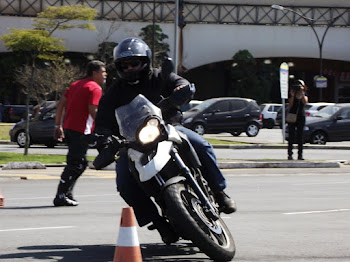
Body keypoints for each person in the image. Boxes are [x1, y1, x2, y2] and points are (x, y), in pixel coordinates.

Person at [94, 37, 236, 244]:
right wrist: (104, 140)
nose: (130, 67)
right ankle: (158, 223)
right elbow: (102, 123)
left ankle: (219, 191)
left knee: (201, 145)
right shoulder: (113, 92)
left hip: (167, 127)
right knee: (124, 182)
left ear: (146, 61)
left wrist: (182, 88)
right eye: (124, 64)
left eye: (134, 62)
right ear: (118, 67)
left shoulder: (159, 77)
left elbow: (179, 82)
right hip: (133, 142)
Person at [53, 60, 107, 206]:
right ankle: (61, 195)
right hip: (81, 130)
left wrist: (58, 125)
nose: (105, 75)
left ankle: (67, 193)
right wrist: (105, 125)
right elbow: (93, 109)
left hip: (70, 128)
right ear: (94, 73)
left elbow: (60, 104)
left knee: (81, 163)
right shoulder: (94, 88)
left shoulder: (75, 85)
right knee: (76, 163)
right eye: (103, 72)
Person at [287, 79, 308, 160]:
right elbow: (291, 105)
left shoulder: (304, 94)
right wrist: (292, 95)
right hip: (292, 115)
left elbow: (305, 102)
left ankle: (300, 155)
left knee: (300, 136)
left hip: (301, 116)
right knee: (291, 136)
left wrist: (301, 93)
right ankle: (290, 154)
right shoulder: (292, 94)